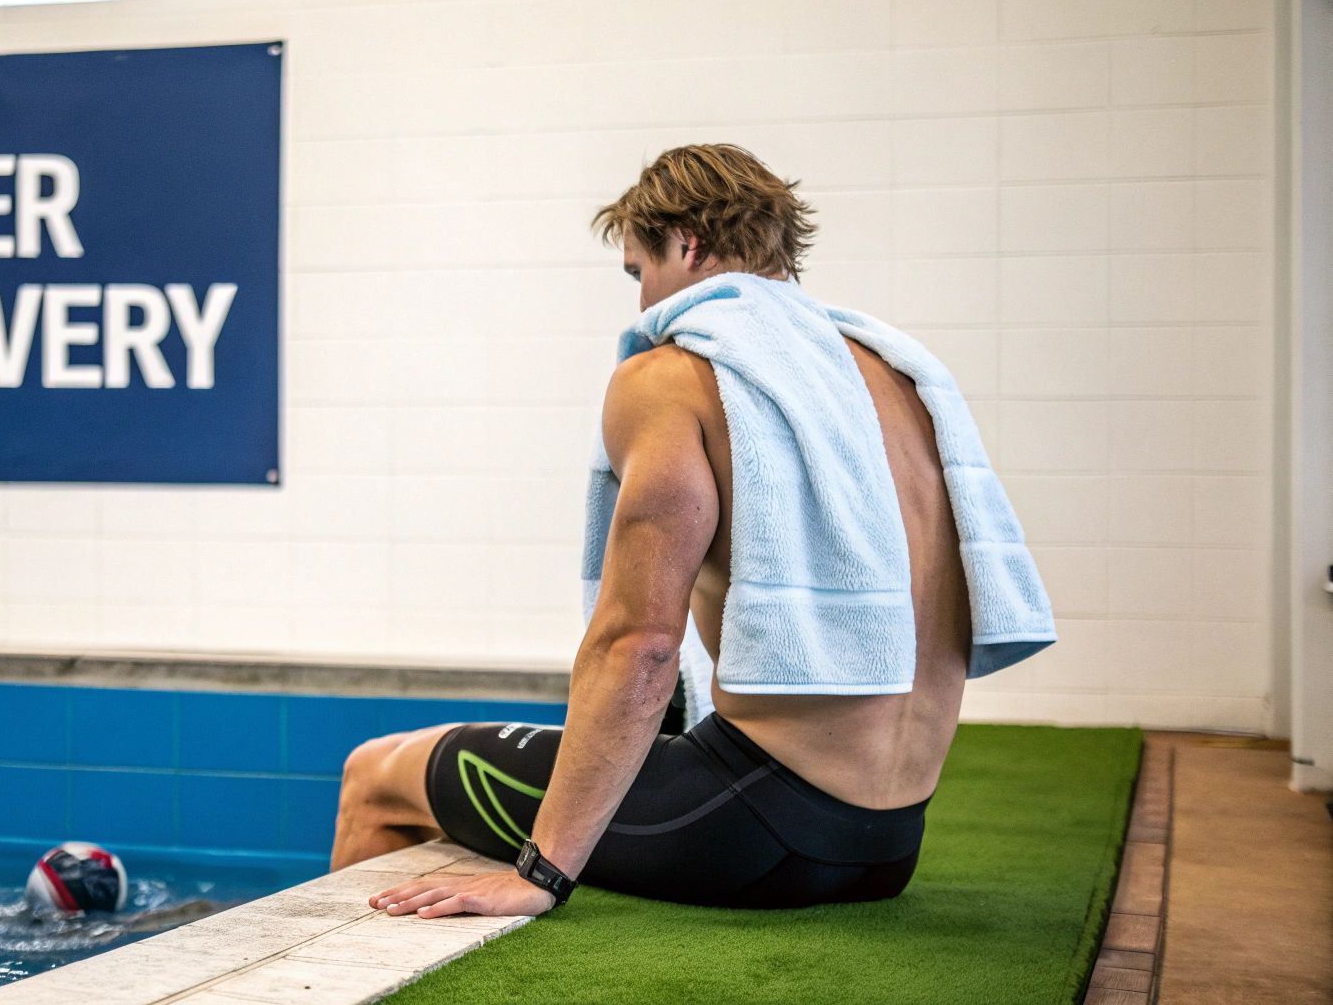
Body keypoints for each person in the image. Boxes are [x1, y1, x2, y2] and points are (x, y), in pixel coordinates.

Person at [329, 144, 1053, 918]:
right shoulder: (898, 377)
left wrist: (538, 873)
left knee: (376, 772)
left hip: (752, 834)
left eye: (639, 270)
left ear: (689, 246)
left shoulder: (670, 374)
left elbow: (639, 642)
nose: (641, 302)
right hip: (887, 844)